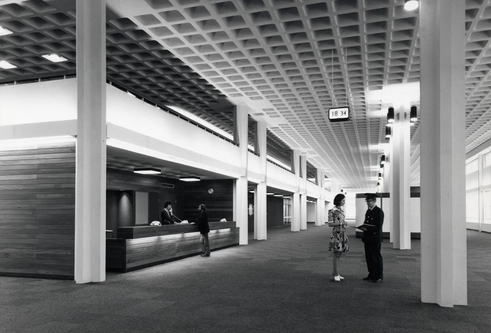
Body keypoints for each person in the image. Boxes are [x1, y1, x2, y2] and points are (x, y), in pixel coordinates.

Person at [358, 193, 385, 283]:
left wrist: (367, 228)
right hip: (368, 238)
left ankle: (378, 276)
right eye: (367, 201)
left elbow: (378, 226)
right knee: (369, 257)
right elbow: (366, 222)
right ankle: (371, 274)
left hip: (375, 238)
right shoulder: (368, 211)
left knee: (376, 257)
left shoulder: (379, 211)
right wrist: (363, 227)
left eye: (369, 201)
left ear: (374, 201)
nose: (368, 203)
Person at [328, 193, 349, 282]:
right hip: (336, 234)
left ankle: (336, 273)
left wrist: (343, 223)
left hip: (342, 234)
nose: (344, 202)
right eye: (343, 200)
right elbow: (330, 223)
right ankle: (335, 273)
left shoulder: (341, 210)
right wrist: (341, 223)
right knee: (336, 254)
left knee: (339, 254)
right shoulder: (332, 211)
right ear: (339, 200)